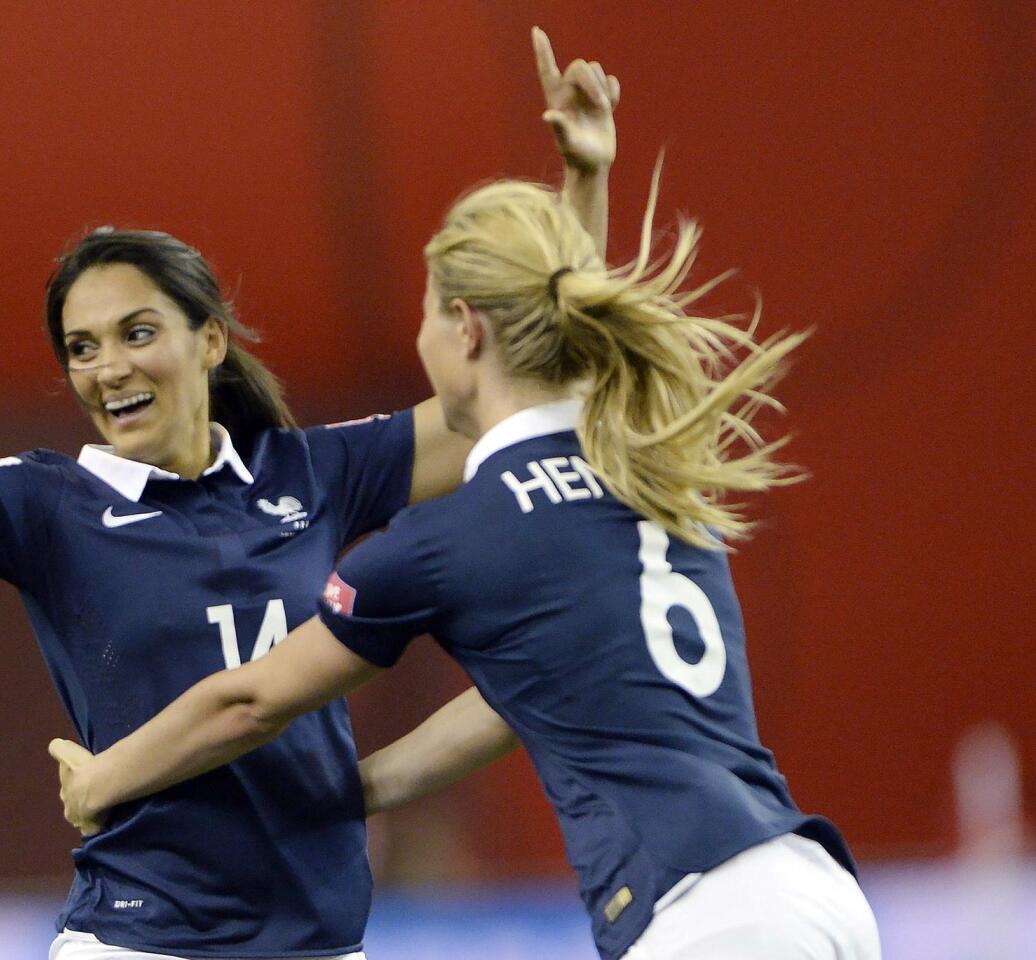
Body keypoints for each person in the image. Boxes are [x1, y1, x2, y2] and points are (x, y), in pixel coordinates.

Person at [0, 27, 620, 960]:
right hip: (144, 940)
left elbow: (527, 394)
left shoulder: (309, 472)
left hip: (319, 938)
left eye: (138, 331)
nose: (108, 367)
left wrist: (583, 187)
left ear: (211, 342)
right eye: (82, 347)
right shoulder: (49, 505)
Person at [47, 168, 883, 958]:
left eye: (426, 316)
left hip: (706, 918)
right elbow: (520, 700)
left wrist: (102, 781)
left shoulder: (452, 538)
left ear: (466, 328)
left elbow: (249, 700)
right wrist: (350, 792)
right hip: (815, 887)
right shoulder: (643, 476)